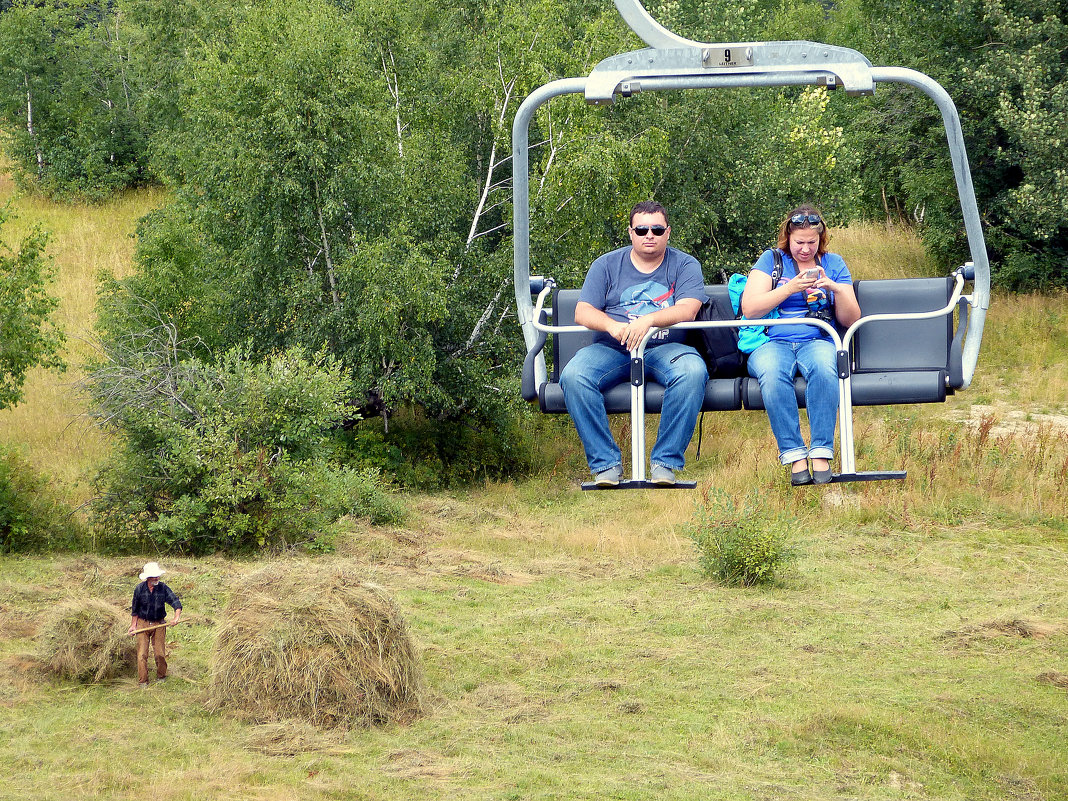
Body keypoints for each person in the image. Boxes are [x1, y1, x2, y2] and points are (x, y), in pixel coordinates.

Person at [560, 200, 708, 486]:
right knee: (574, 376)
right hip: (613, 349)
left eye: (656, 229)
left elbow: (688, 308)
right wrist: (613, 326)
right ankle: (606, 465)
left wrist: (648, 321)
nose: (648, 235)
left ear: (667, 232)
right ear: (631, 233)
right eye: (641, 229)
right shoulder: (606, 265)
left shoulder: (685, 264)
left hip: (665, 348)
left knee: (692, 371)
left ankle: (665, 463)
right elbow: (583, 311)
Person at [740, 205, 861, 485]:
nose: (805, 250)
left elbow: (851, 318)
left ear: (821, 239)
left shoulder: (834, 263)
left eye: (811, 243)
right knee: (772, 374)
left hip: (816, 337)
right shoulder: (771, 261)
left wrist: (836, 289)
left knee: (824, 368)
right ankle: (794, 454)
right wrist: (790, 288)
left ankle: (821, 451)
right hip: (772, 340)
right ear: (787, 238)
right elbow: (751, 307)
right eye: (799, 243)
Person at [128, 561, 183, 687]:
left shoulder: (163, 588)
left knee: (159, 653)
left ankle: (161, 675)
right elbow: (135, 610)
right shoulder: (139, 589)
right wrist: (133, 626)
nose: (157, 578)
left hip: (159, 623)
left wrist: (176, 617)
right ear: (148, 578)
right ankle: (143, 681)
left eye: (157, 576)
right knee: (142, 654)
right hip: (143, 624)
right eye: (154, 576)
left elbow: (176, 603)